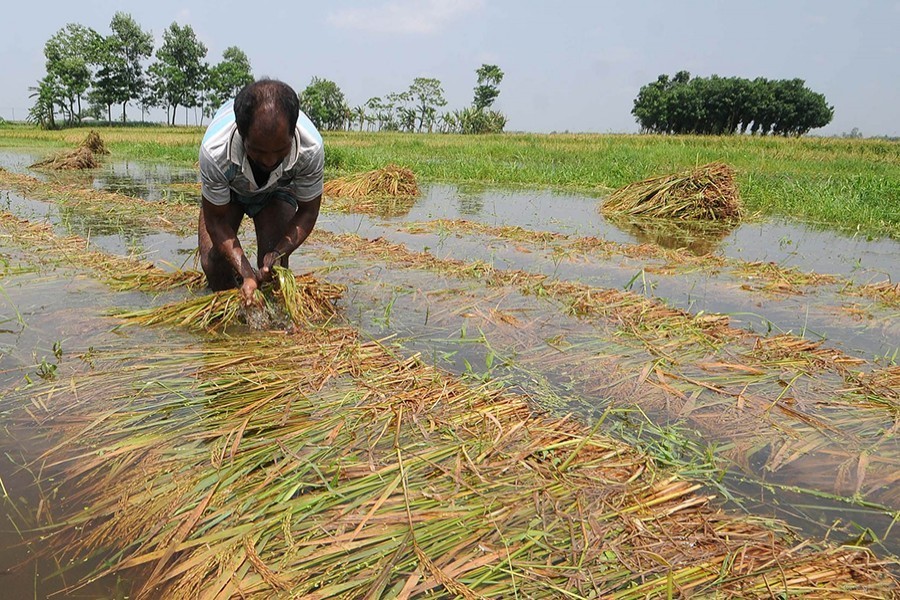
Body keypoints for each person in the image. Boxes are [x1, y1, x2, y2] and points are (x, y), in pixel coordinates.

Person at [198, 78, 323, 305]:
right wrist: (245, 272)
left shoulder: (310, 148)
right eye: (258, 150)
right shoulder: (215, 151)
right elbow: (215, 221)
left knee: (273, 272)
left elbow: (309, 211)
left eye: (280, 150)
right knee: (214, 263)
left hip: (278, 189)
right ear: (242, 136)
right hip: (232, 187)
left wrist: (277, 252)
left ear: (293, 132)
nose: (270, 160)